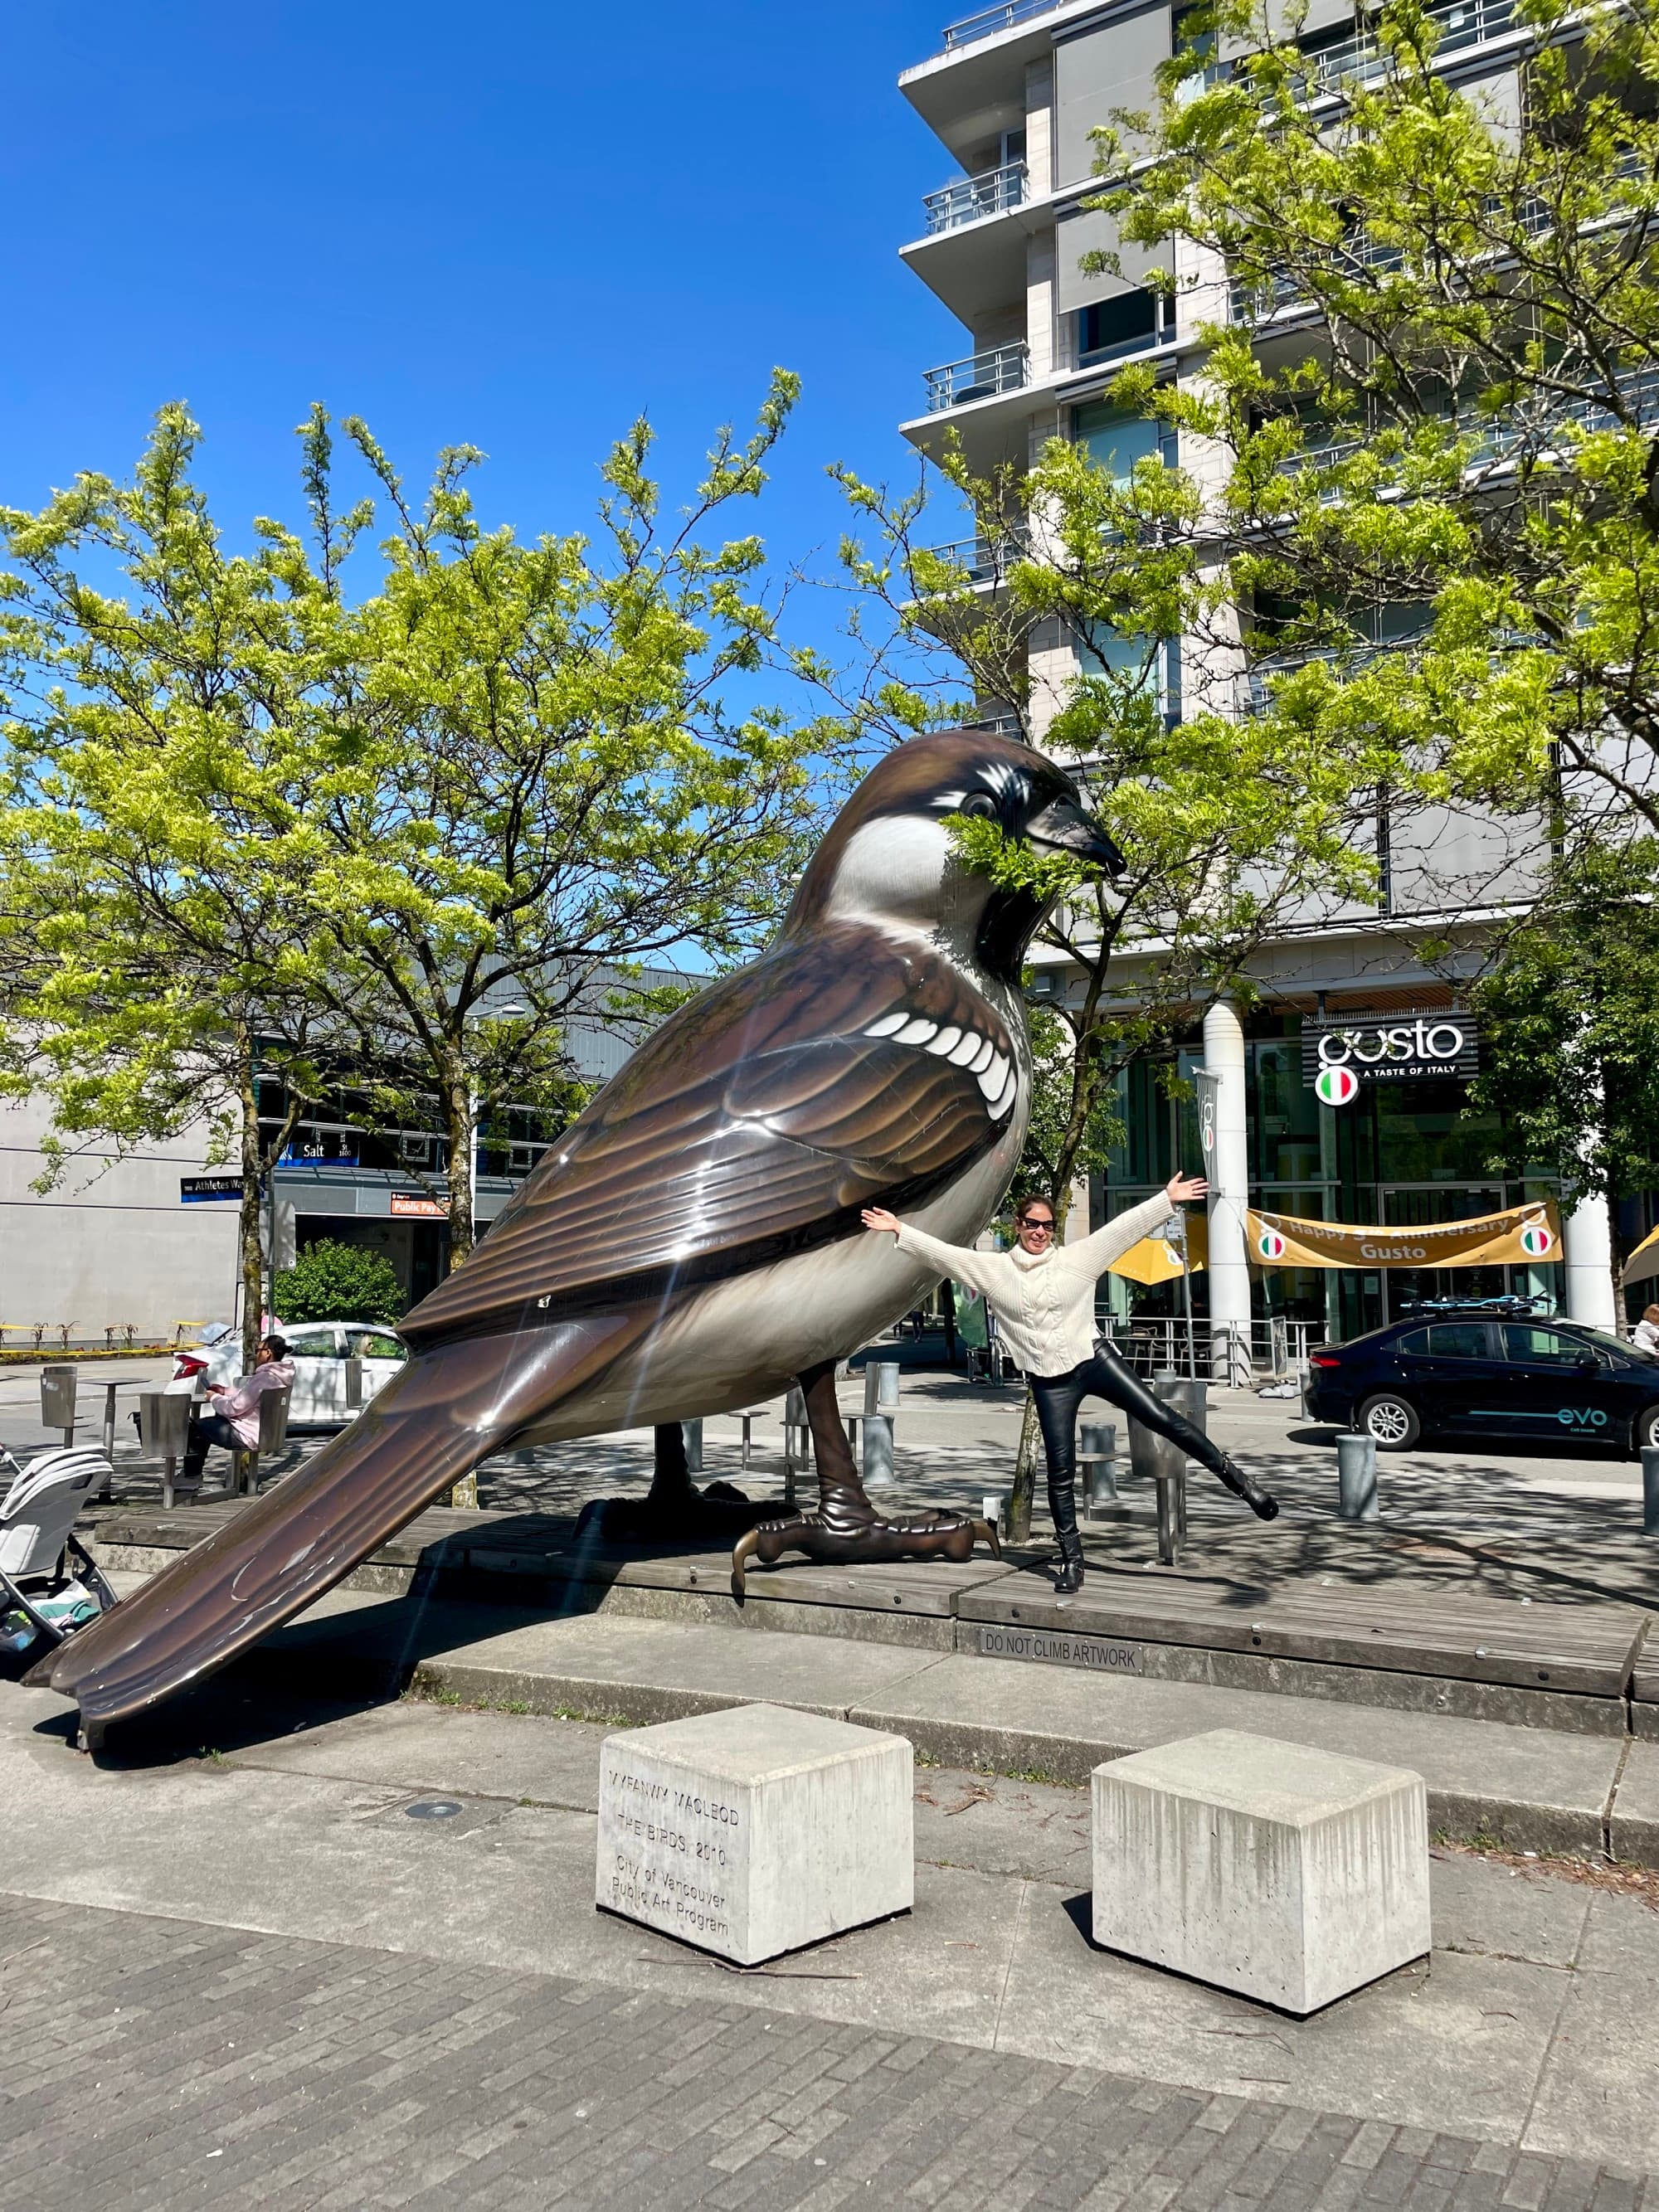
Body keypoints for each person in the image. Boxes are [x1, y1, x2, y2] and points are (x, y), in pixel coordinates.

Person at [861, 1180, 1278, 1592]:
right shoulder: (994, 1271)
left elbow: (1122, 1228)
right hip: (1048, 1380)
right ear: (1018, 1226)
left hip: (1093, 1358)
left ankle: (1241, 1483)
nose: (1039, 1232)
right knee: (1059, 1471)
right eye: (1031, 1223)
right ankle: (1072, 1560)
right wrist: (900, 1229)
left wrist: (1165, 1201)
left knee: (1160, 1416)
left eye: (1047, 1226)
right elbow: (946, 1256)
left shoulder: (1076, 1259)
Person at [181, 1334, 296, 1487]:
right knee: (211, 1421)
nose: (255, 1354)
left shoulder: (264, 1377)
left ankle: (191, 1477)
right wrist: (224, 1391)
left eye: (258, 1350)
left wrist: (213, 1397)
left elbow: (234, 1407)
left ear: (268, 1353)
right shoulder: (279, 1377)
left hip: (248, 1435)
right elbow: (249, 1396)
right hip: (265, 1433)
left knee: (196, 1428)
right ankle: (194, 1476)